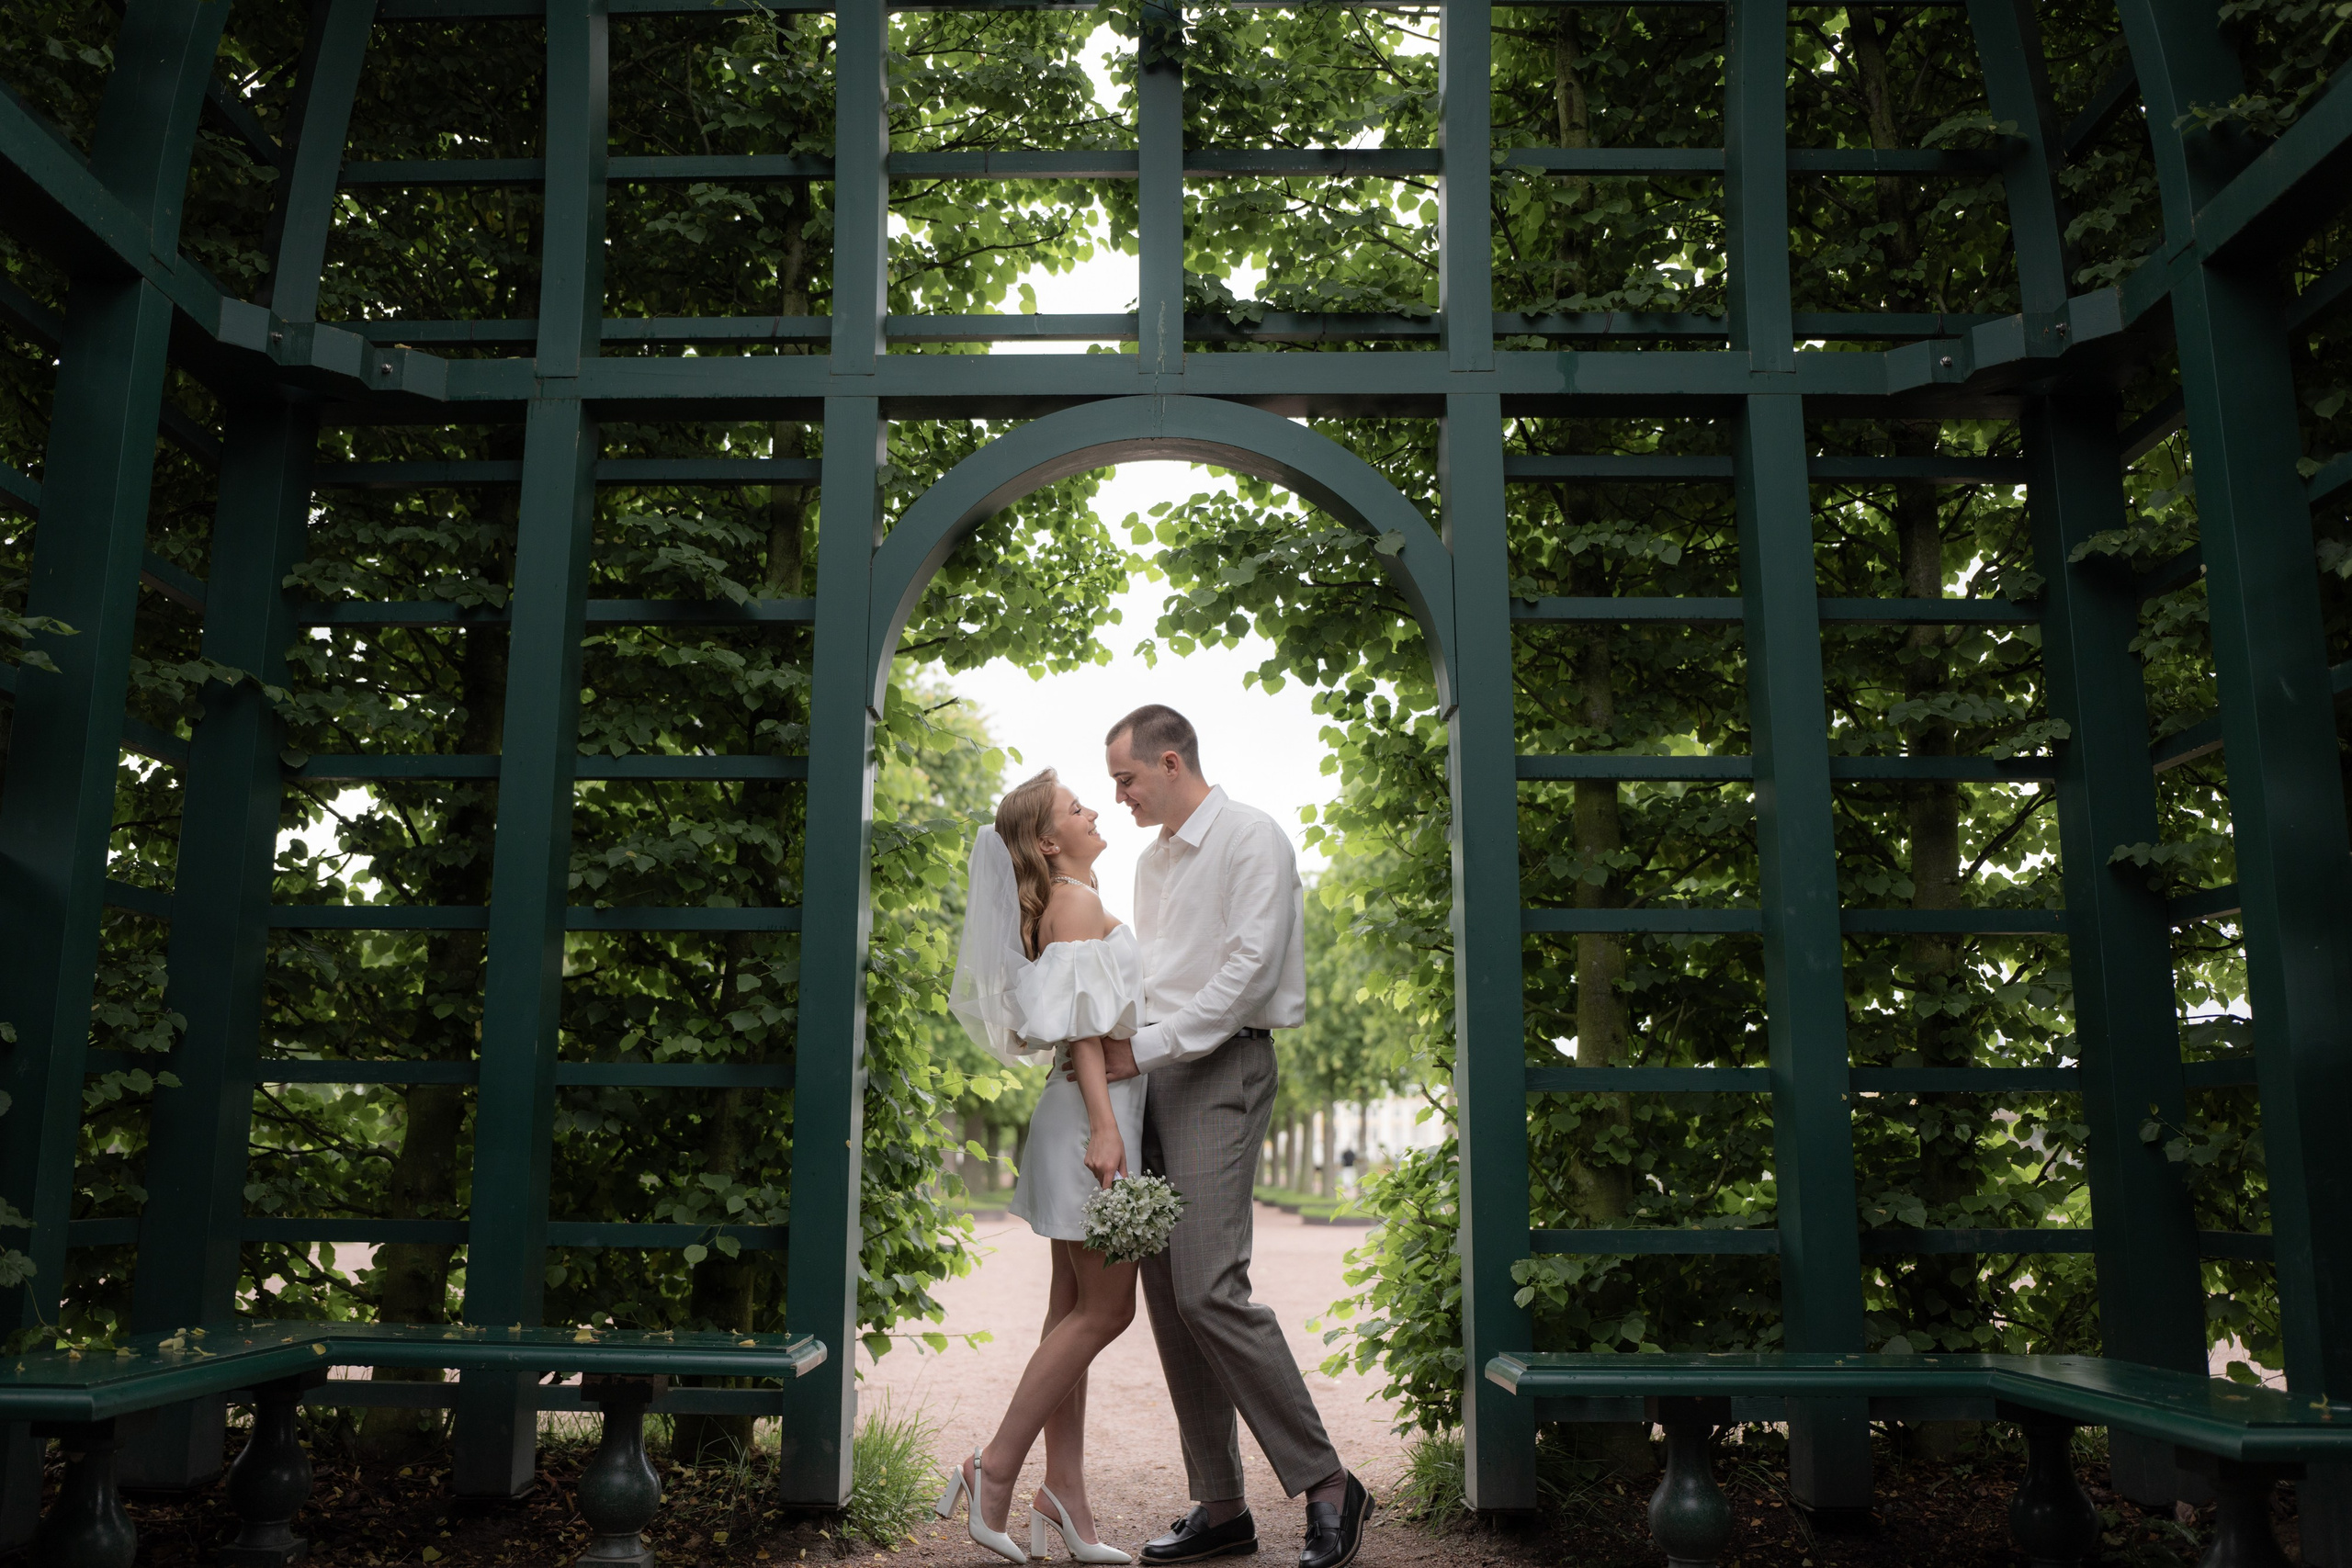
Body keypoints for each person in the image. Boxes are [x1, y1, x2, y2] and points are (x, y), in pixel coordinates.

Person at [1086, 705, 1373, 1568]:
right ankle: (1221, 1507)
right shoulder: (1149, 861)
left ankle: (1328, 1481)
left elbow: (1245, 976)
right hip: (1152, 1072)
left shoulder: (1254, 838)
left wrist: (1144, 1048)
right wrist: (1100, 1043)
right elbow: (1153, 977)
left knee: (1210, 1285)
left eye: (1126, 780)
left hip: (1221, 1066)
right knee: (1173, 1300)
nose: (1120, 797)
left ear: (1170, 763)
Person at [938, 768, 1146, 1565]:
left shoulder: (1067, 901)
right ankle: (992, 1466)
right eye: (1076, 805)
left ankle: (1067, 1496)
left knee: (1070, 1314)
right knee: (1108, 1311)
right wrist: (1104, 1127)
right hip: (1093, 1121)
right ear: (1048, 841)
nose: (1095, 807)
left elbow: (1080, 1023)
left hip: (1085, 1114)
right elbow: (1086, 1033)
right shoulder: (1076, 902)